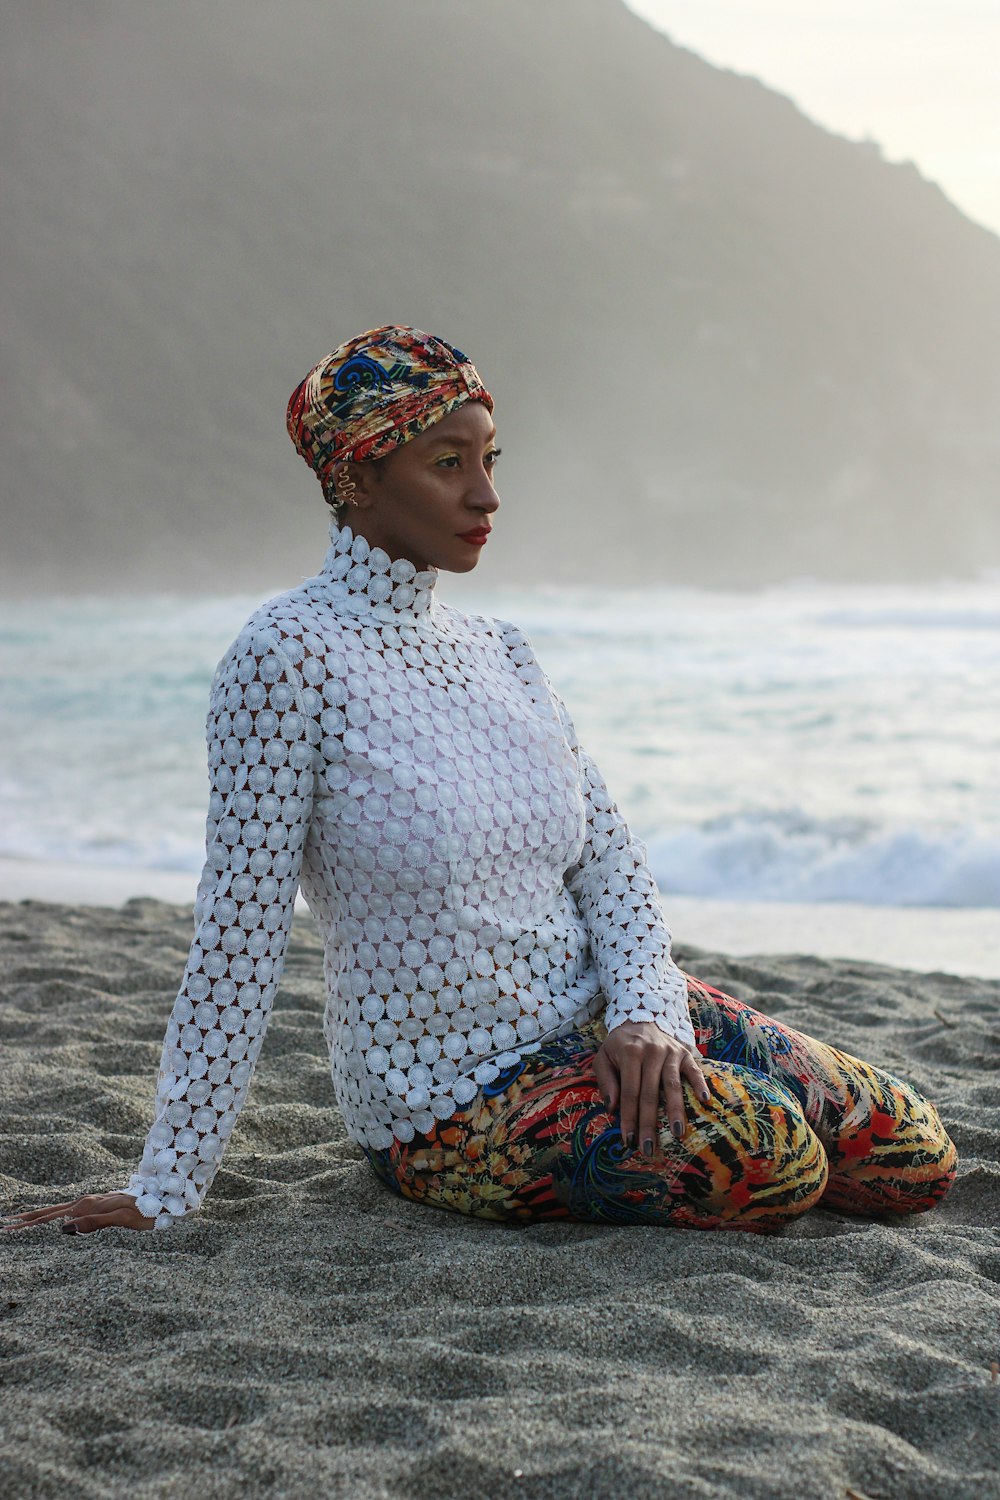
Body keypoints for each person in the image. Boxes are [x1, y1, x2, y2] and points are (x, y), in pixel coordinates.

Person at [5, 325, 957, 1238]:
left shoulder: (502, 651)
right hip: (451, 1097)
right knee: (780, 1154)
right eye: (449, 464)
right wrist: (163, 1186)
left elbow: (610, 865)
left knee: (907, 1151)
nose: (487, 496)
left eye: (493, 459)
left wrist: (647, 1015)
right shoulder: (285, 658)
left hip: (602, 1021)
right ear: (359, 477)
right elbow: (236, 941)